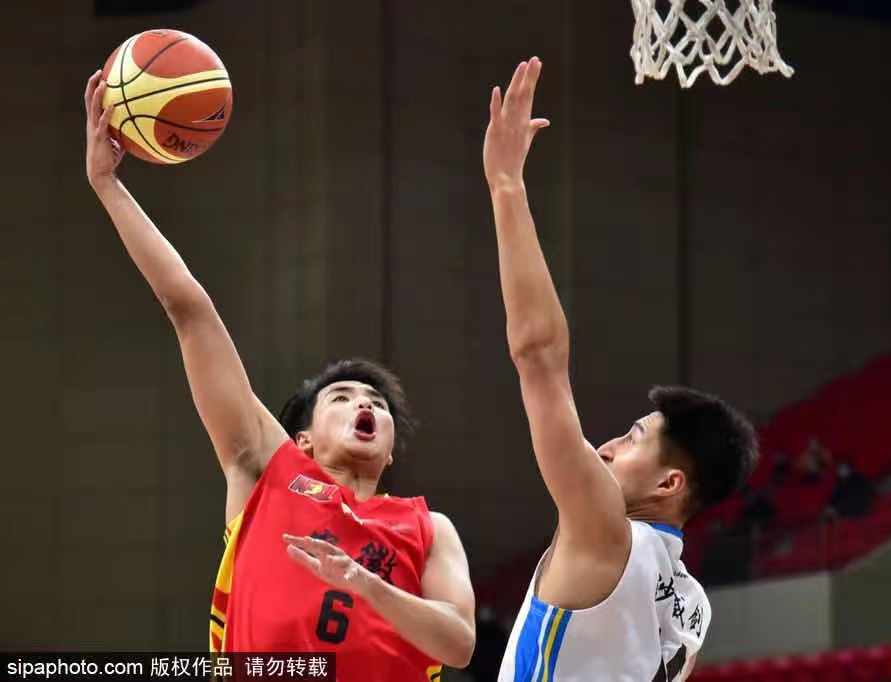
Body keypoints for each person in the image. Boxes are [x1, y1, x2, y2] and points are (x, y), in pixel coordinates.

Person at [82, 71, 475, 681]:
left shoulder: (427, 528)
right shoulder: (268, 471)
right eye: (342, 397)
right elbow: (189, 310)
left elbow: (459, 644)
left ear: (392, 448)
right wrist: (108, 186)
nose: (366, 405)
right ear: (304, 440)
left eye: (378, 403)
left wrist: (367, 585)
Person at [484, 58, 758, 681]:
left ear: (669, 483)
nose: (606, 446)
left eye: (633, 438)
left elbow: (539, 358)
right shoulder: (693, 606)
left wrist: (506, 186)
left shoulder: (606, 530)